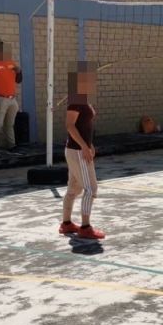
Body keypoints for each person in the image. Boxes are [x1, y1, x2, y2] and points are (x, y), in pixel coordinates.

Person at [59, 63, 106, 239]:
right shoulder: (76, 100)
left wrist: (89, 144)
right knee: (90, 189)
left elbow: (84, 125)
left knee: (73, 188)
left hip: (78, 149)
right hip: (77, 151)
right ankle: (85, 227)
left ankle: (66, 224)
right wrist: (84, 147)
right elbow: (70, 126)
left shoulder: (82, 98)